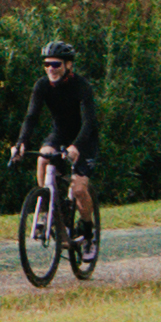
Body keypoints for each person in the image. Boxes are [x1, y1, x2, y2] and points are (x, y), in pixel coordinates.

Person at [10, 35, 102, 244]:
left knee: (78, 189)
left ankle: (88, 232)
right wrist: (20, 143)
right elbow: (31, 117)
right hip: (59, 133)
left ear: (68, 65)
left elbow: (89, 122)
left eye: (55, 64)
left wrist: (76, 147)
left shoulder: (81, 86)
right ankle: (47, 211)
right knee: (42, 160)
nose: (50, 68)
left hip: (84, 138)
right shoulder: (42, 86)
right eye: (46, 64)